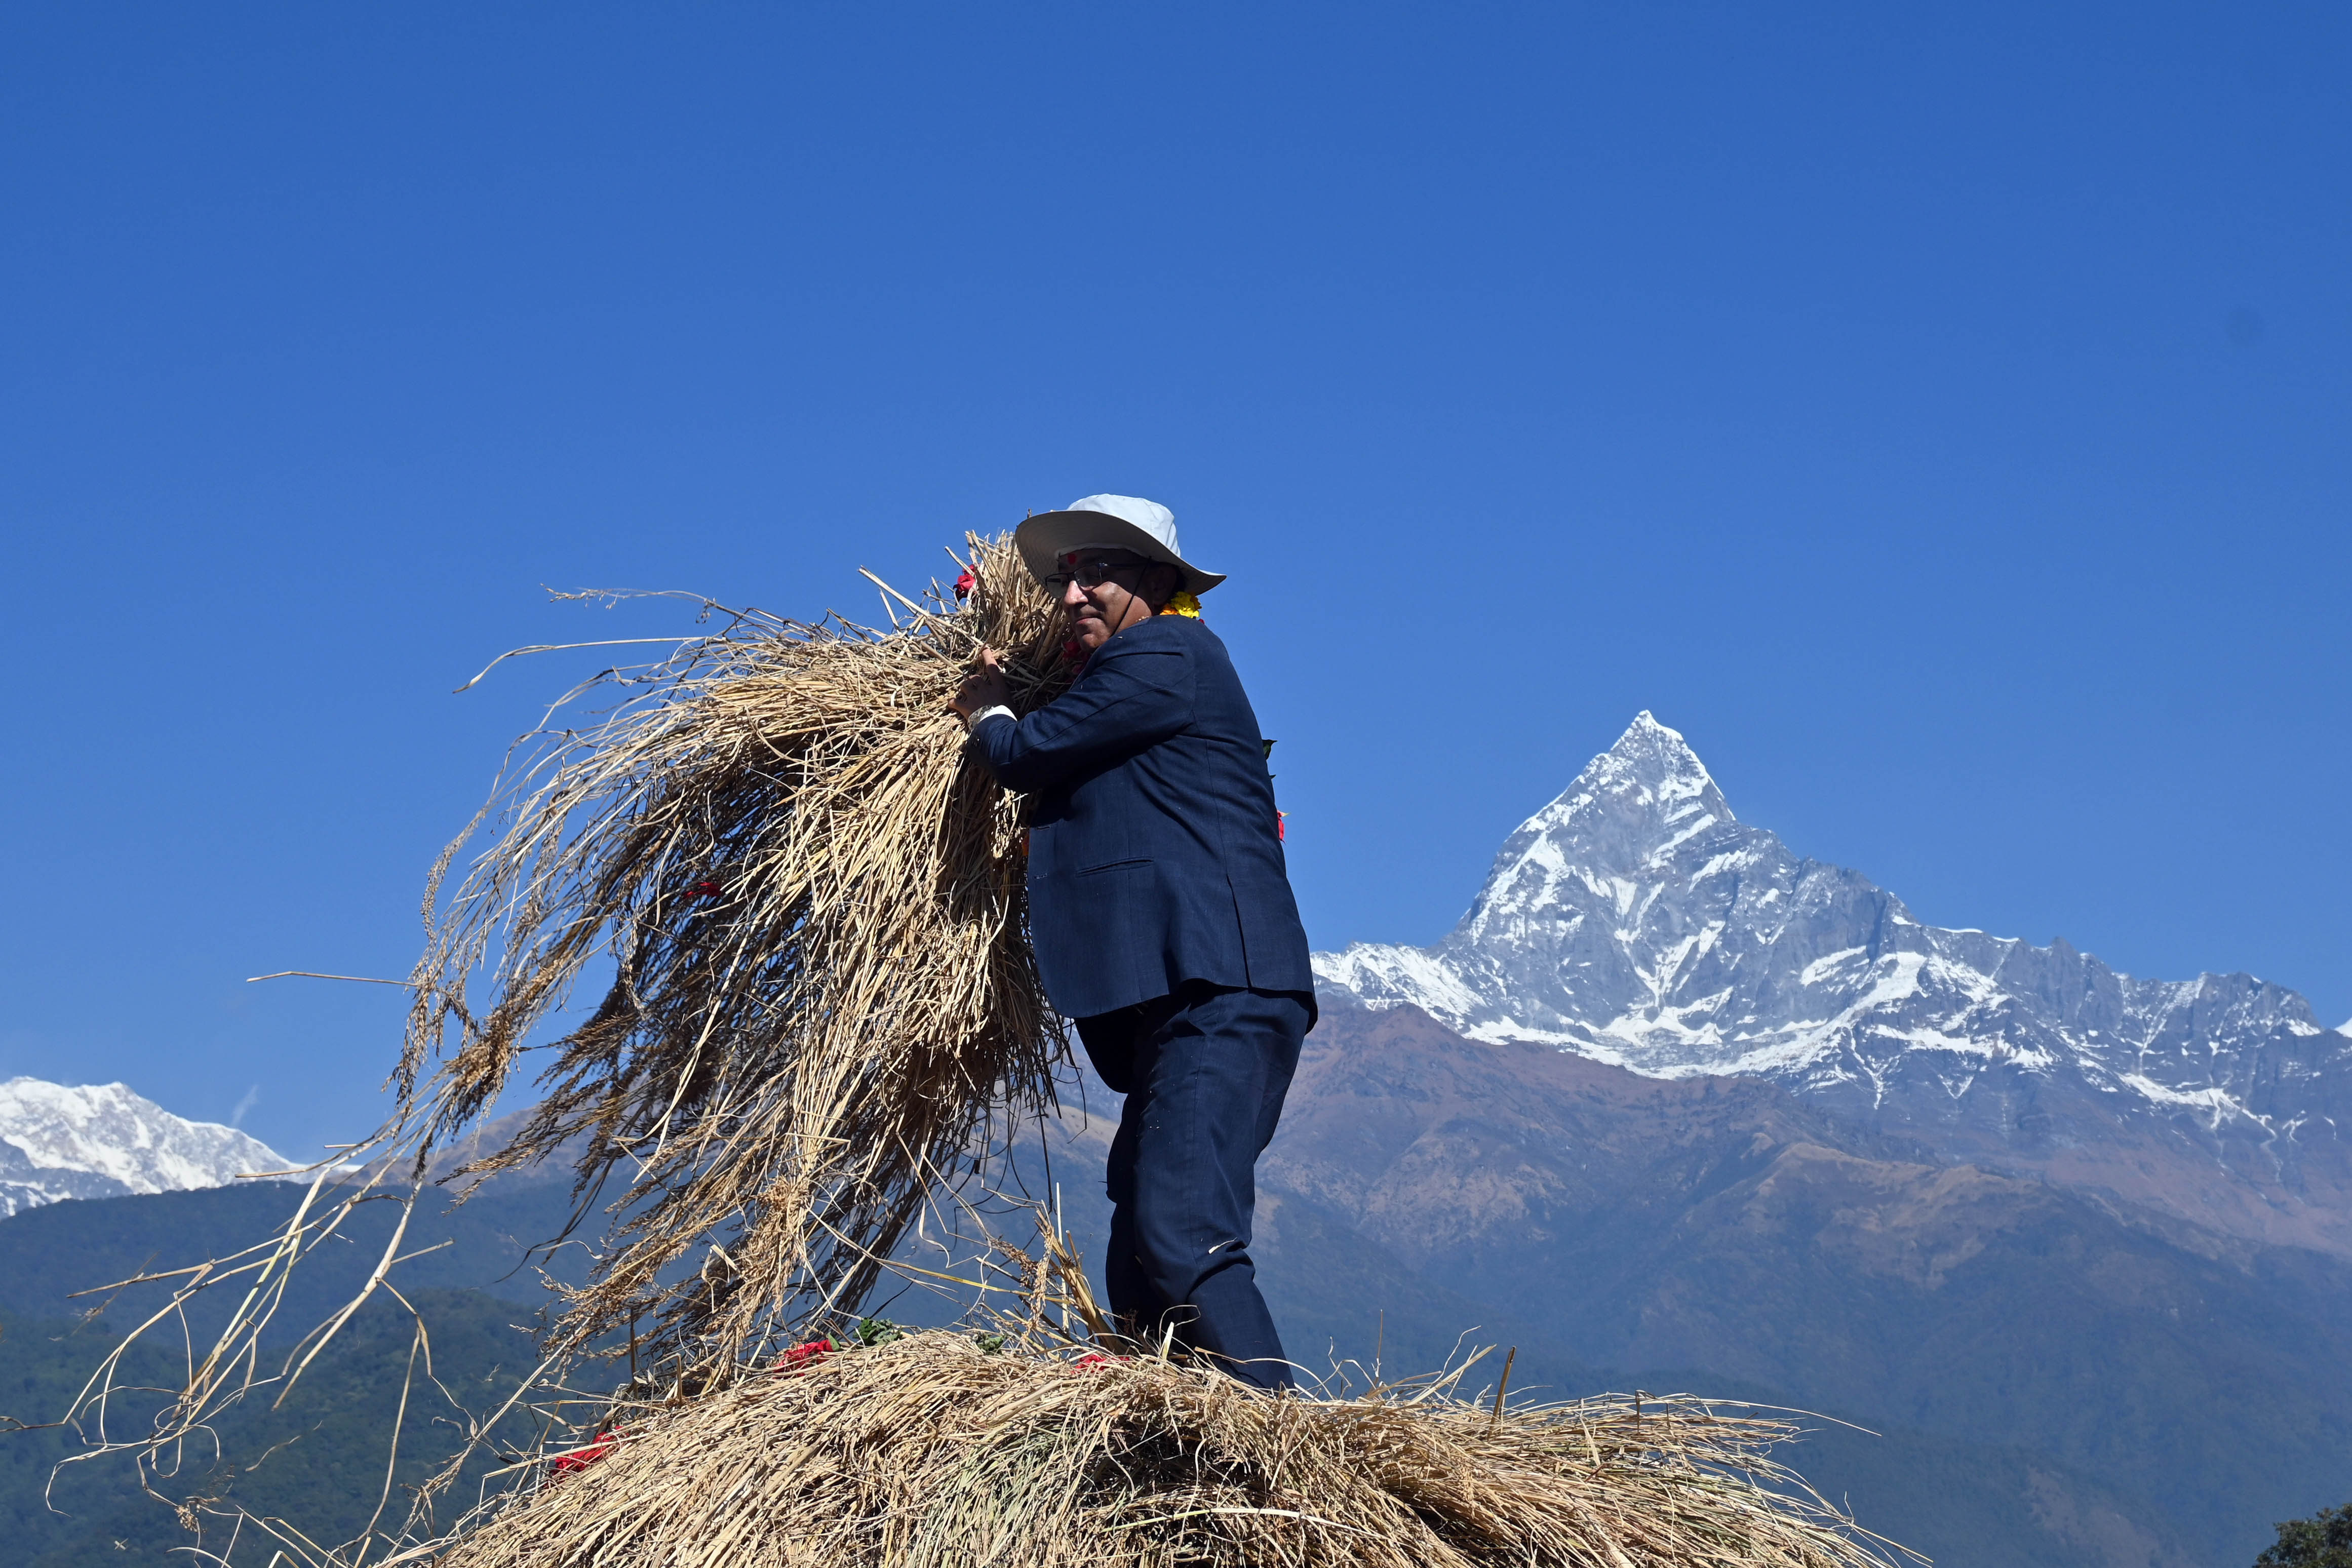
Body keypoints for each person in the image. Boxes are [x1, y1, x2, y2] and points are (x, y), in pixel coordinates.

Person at [951, 493, 1314, 1391]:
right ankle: (1170, 1430)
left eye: (1098, 573)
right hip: (1179, 997)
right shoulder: (1134, 678)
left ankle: (1284, 1444)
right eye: (1065, 577)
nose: (1074, 593)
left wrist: (990, 707)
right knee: (1139, 1250)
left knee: (1182, 1225)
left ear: (1158, 583)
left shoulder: (1167, 653)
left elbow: (1027, 755)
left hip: (1219, 983)